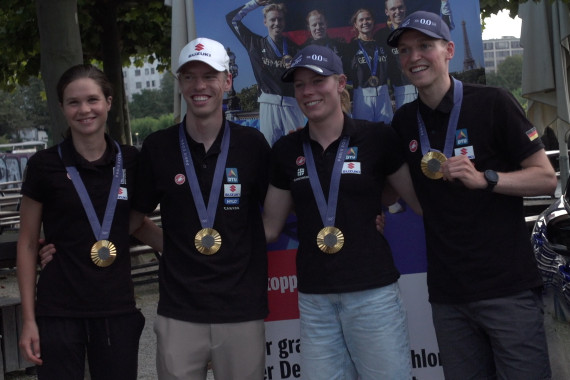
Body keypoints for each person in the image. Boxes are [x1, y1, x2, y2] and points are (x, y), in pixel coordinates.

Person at [387, 11, 555, 379]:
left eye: (425, 46)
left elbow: (546, 179)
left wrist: (487, 179)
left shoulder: (493, 101)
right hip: (449, 297)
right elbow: (406, 192)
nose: (414, 57)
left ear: (448, 50)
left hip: (507, 290)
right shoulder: (403, 123)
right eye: (405, 49)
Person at [263, 44, 421, 379]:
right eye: (300, 85)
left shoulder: (377, 137)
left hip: (373, 295)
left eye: (317, 81)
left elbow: (418, 202)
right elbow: (270, 227)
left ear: (340, 82)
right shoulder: (286, 150)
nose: (308, 91)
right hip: (315, 300)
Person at [132, 37, 270, 379]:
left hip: (241, 308)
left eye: (209, 75)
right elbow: (133, 220)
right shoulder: (158, 147)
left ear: (227, 81)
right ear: (179, 83)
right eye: (189, 76)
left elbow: (282, 211)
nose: (199, 86)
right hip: (179, 311)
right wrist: (173, 245)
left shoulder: (252, 144)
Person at [17, 64, 159, 380]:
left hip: (116, 309)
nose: (84, 110)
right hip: (58, 311)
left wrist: (187, 250)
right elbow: (27, 243)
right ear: (62, 108)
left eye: (92, 100)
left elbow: (135, 222)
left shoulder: (132, 161)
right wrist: (29, 320)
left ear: (109, 101)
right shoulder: (44, 166)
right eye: (74, 102)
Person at [226, 0, 305, 145]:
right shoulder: (254, 43)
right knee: (269, 149)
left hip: (292, 105)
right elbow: (232, 19)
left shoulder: (295, 49)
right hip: (268, 103)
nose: (276, 23)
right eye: (272, 19)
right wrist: (255, 3)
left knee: (297, 150)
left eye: (280, 19)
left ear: (284, 22)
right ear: (265, 22)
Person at [344, 8, 392, 123]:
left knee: (385, 132)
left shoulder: (382, 44)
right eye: (361, 20)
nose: (365, 22)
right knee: (364, 133)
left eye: (368, 19)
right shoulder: (351, 47)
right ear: (355, 24)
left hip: (383, 94)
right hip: (362, 95)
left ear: (373, 21)